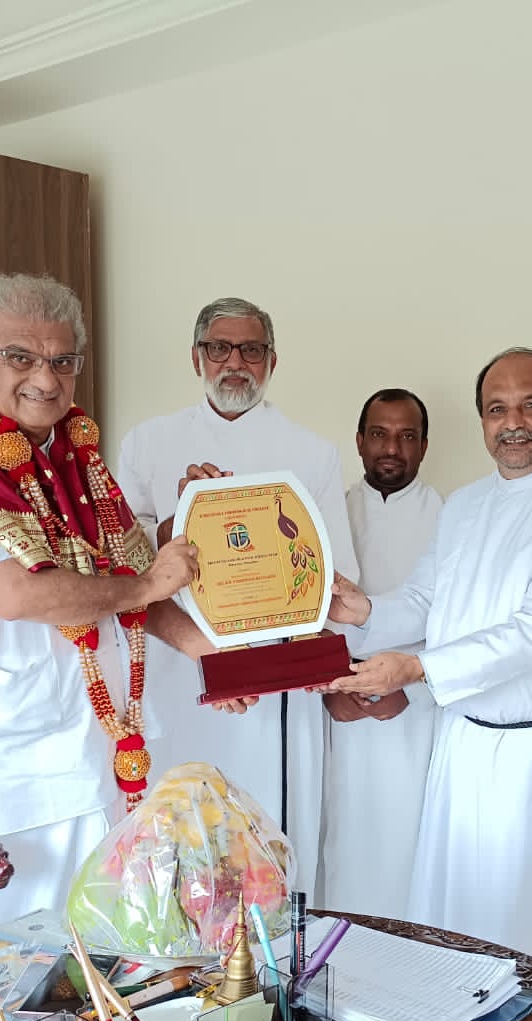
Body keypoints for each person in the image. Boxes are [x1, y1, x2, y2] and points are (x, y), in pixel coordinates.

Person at [0, 273, 246, 923]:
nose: (45, 380)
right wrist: (149, 583)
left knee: (105, 933)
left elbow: (128, 577)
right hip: (2, 758)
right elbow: (18, 595)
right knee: (14, 955)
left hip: (96, 739)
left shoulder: (72, 455)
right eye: (20, 357)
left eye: (62, 361)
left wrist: (213, 655)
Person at [325, 348, 532, 983]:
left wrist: (416, 668)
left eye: (530, 406)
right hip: (461, 743)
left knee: (530, 931)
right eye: (497, 409)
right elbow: (427, 599)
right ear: (482, 420)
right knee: (456, 921)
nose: (513, 423)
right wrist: (364, 610)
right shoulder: (464, 505)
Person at [115, 297, 359, 899]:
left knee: (270, 837)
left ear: (272, 361)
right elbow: (119, 564)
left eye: (251, 350)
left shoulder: (312, 452)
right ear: (196, 357)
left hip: (272, 683)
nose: (235, 363)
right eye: (219, 348)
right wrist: (181, 518)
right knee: (178, 834)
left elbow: (335, 576)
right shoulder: (147, 443)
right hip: (179, 667)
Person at [321, 389, 444, 918]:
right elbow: (307, 613)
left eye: (406, 436)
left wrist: (413, 690)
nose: (391, 448)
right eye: (379, 434)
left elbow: (459, 622)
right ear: (359, 441)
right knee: (340, 840)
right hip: (338, 709)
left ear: (424, 445)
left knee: (409, 845)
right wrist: (329, 690)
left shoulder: (451, 517)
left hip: (416, 714)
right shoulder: (329, 514)